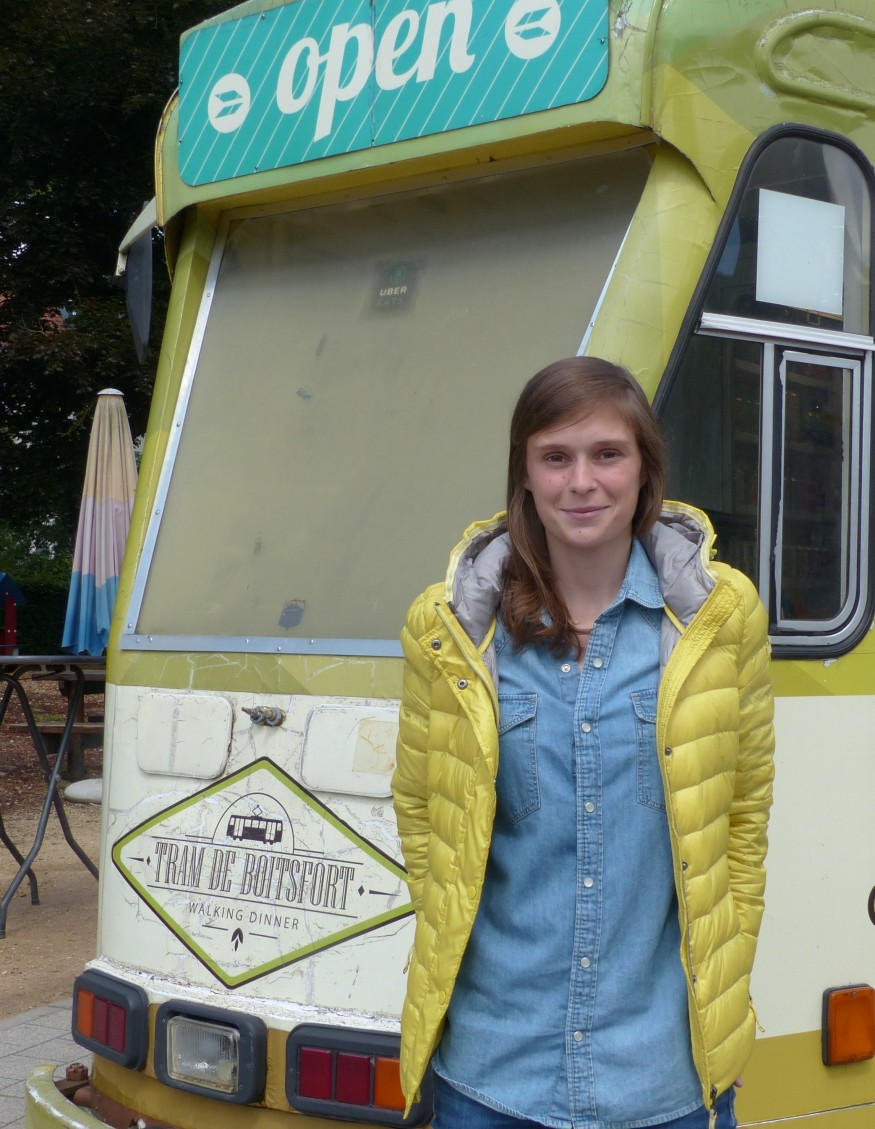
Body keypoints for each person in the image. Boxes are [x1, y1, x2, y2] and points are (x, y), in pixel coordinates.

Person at [391, 357, 775, 1129]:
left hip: (662, 1076)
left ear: (644, 468)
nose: (581, 481)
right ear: (524, 475)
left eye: (607, 453)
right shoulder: (451, 628)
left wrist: (721, 989)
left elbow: (741, 818)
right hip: (491, 1074)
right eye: (555, 457)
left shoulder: (720, 618)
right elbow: (423, 811)